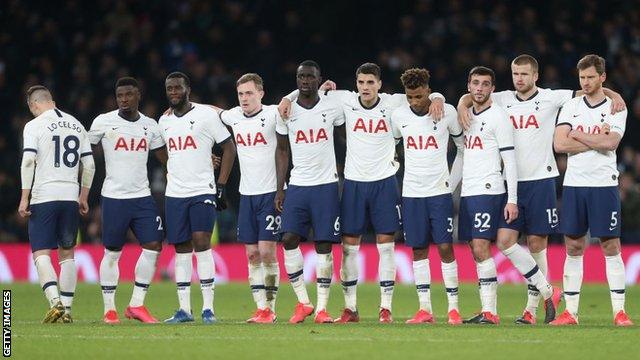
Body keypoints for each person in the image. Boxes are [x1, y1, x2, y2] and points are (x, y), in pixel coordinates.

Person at [457, 54, 626, 324]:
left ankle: (531, 309)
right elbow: (473, 96)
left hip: (541, 181)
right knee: (507, 242)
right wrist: (462, 104)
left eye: (524, 74)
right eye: (515, 74)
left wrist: (613, 93)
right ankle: (548, 293)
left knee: (537, 245)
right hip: (508, 183)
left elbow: (588, 88)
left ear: (535, 75)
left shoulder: (552, 97)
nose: (519, 79)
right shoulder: (502, 98)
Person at [279, 62, 445, 323]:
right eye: (361, 82)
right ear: (355, 84)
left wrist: (438, 98)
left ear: (379, 84)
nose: (365, 87)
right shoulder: (344, 100)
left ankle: (385, 308)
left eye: (370, 82)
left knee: (386, 248)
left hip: (385, 182)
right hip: (354, 184)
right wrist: (286, 98)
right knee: (348, 249)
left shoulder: (393, 102)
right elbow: (306, 91)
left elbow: (425, 93)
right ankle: (351, 308)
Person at [459, 66, 555, 325]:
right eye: (475, 83)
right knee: (487, 247)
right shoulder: (466, 115)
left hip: (489, 189)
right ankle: (540, 289)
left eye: (485, 84)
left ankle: (492, 310)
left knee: (485, 246)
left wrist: (512, 199)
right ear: (468, 86)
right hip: (469, 190)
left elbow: (509, 161)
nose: (479, 88)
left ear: (493, 89)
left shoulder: (499, 117)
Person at [551, 54, 633, 327]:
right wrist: (595, 140)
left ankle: (620, 312)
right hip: (574, 184)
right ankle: (570, 313)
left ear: (602, 78)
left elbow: (611, 143)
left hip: (604, 184)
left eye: (590, 77)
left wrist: (579, 135)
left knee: (611, 245)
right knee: (573, 245)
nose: (585, 83)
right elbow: (560, 145)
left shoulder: (616, 106)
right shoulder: (571, 106)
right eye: (581, 78)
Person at [159, 72, 236, 324]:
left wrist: (221, 185)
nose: (173, 92)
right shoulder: (164, 121)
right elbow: (166, 152)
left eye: (177, 88)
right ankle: (184, 310)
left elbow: (229, 146)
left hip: (202, 189)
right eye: (169, 88)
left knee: (202, 242)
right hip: (175, 194)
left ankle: (208, 309)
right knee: (181, 248)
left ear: (187, 89)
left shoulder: (206, 115)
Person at [390, 68, 464, 325]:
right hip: (411, 193)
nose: (414, 102)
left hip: (439, 193)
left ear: (428, 91)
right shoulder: (398, 115)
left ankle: (453, 308)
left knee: (445, 247)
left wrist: (451, 184)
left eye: (419, 96)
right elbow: (394, 144)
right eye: (409, 97)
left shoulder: (447, 112)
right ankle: (425, 309)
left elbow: (462, 148)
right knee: (418, 249)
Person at [89, 77, 164, 324]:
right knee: (112, 252)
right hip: (114, 197)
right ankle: (109, 309)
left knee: (153, 245)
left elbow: (166, 158)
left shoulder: (150, 126)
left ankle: (136, 305)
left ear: (138, 95)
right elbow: (84, 152)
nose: (123, 99)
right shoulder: (103, 121)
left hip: (142, 197)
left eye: (128, 95)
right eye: (119, 95)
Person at [275, 60, 345, 324]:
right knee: (289, 239)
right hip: (297, 185)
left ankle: (323, 309)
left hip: (326, 185)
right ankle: (303, 302)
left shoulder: (332, 106)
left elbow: (345, 135)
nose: (304, 81)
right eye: (300, 77)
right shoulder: (286, 110)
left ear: (319, 79)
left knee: (324, 245)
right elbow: (282, 150)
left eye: (310, 77)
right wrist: (280, 188)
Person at [18, 85, 94, 323]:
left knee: (41, 252)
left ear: (34, 105)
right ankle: (68, 310)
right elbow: (90, 165)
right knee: (67, 253)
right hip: (70, 196)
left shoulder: (34, 125)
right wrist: (83, 196)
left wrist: (24, 197)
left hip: (45, 196)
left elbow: (29, 161)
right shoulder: (77, 124)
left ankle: (55, 302)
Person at [218, 73, 281, 323]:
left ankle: (271, 308)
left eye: (249, 93)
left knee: (267, 252)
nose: (244, 98)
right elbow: (216, 112)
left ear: (261, 94)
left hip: (270, 193)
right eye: (241, 94)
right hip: (247, 194)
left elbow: (302, 102)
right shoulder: (233, 116)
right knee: (252, 254)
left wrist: (324, 88)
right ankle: (260, 307)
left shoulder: (274, 113)